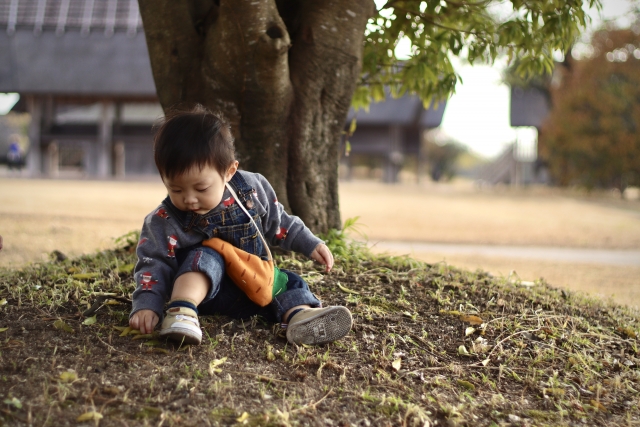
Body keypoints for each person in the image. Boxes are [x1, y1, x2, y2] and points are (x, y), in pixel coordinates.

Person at [129, 107, 352, 346]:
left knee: (288, 281)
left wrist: (310, 243)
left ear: (229, 171)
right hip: (205, 294)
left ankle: (299, 316)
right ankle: (181, 313)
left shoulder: (251, 190)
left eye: (201, 188)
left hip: (253, 286)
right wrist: (147, 304)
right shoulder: (164, 219)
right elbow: (153, 263)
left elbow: (279, 222)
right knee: (203, 257)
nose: (189, 199)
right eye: (176, 189)